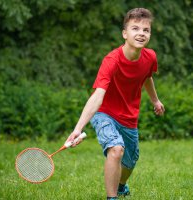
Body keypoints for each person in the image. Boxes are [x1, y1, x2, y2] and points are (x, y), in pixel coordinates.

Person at [65, 8, 165, 200]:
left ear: (150, 34)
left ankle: (121, 185)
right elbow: (97, 96)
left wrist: (155, 100)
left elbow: (147, 76)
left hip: (129, 117)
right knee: (116, 148)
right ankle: (112, 198)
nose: (141, 33)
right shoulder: (111, 61)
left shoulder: (150, 57)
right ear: (125, 34)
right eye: (135, 28)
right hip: (104, 113)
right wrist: (78, 128)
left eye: (146, 30)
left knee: (130, 161)